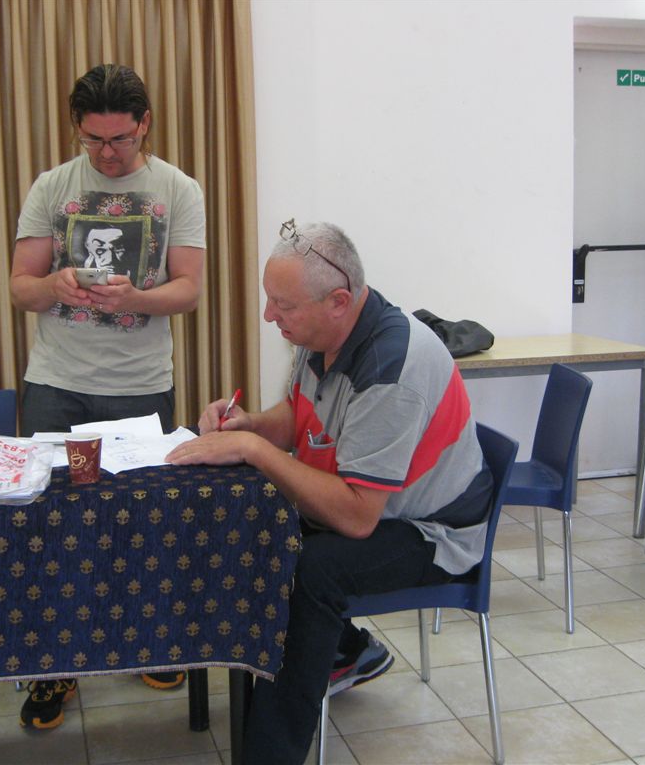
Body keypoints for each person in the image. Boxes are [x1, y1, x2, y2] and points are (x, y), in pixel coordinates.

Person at [166, 220, 493, 764]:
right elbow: (299, 415)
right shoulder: (324, 334)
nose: (269, 316)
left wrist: (253, 450)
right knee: (256, 526)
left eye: (282, 305)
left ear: (339, 301)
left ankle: (271, 753)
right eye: (270, 300)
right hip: (380, 507)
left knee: (309, 572)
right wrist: (250, 426)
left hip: (432, 531)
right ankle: (346, 649)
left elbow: (357, 517)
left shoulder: (391, 368)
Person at [9, 63, 206, 729]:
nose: (107, 153)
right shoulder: (52, 186)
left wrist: (137, 299)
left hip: (140, 387)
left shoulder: (178, 189)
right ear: (78, 128)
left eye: (120, 138)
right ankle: (54, 664)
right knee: (51, 529)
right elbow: (20, 286)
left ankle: (147, 641)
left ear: (145, 124)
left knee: (140, 524)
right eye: (93, 138)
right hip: (57, 386)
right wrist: (54, 287)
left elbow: (189, 289)